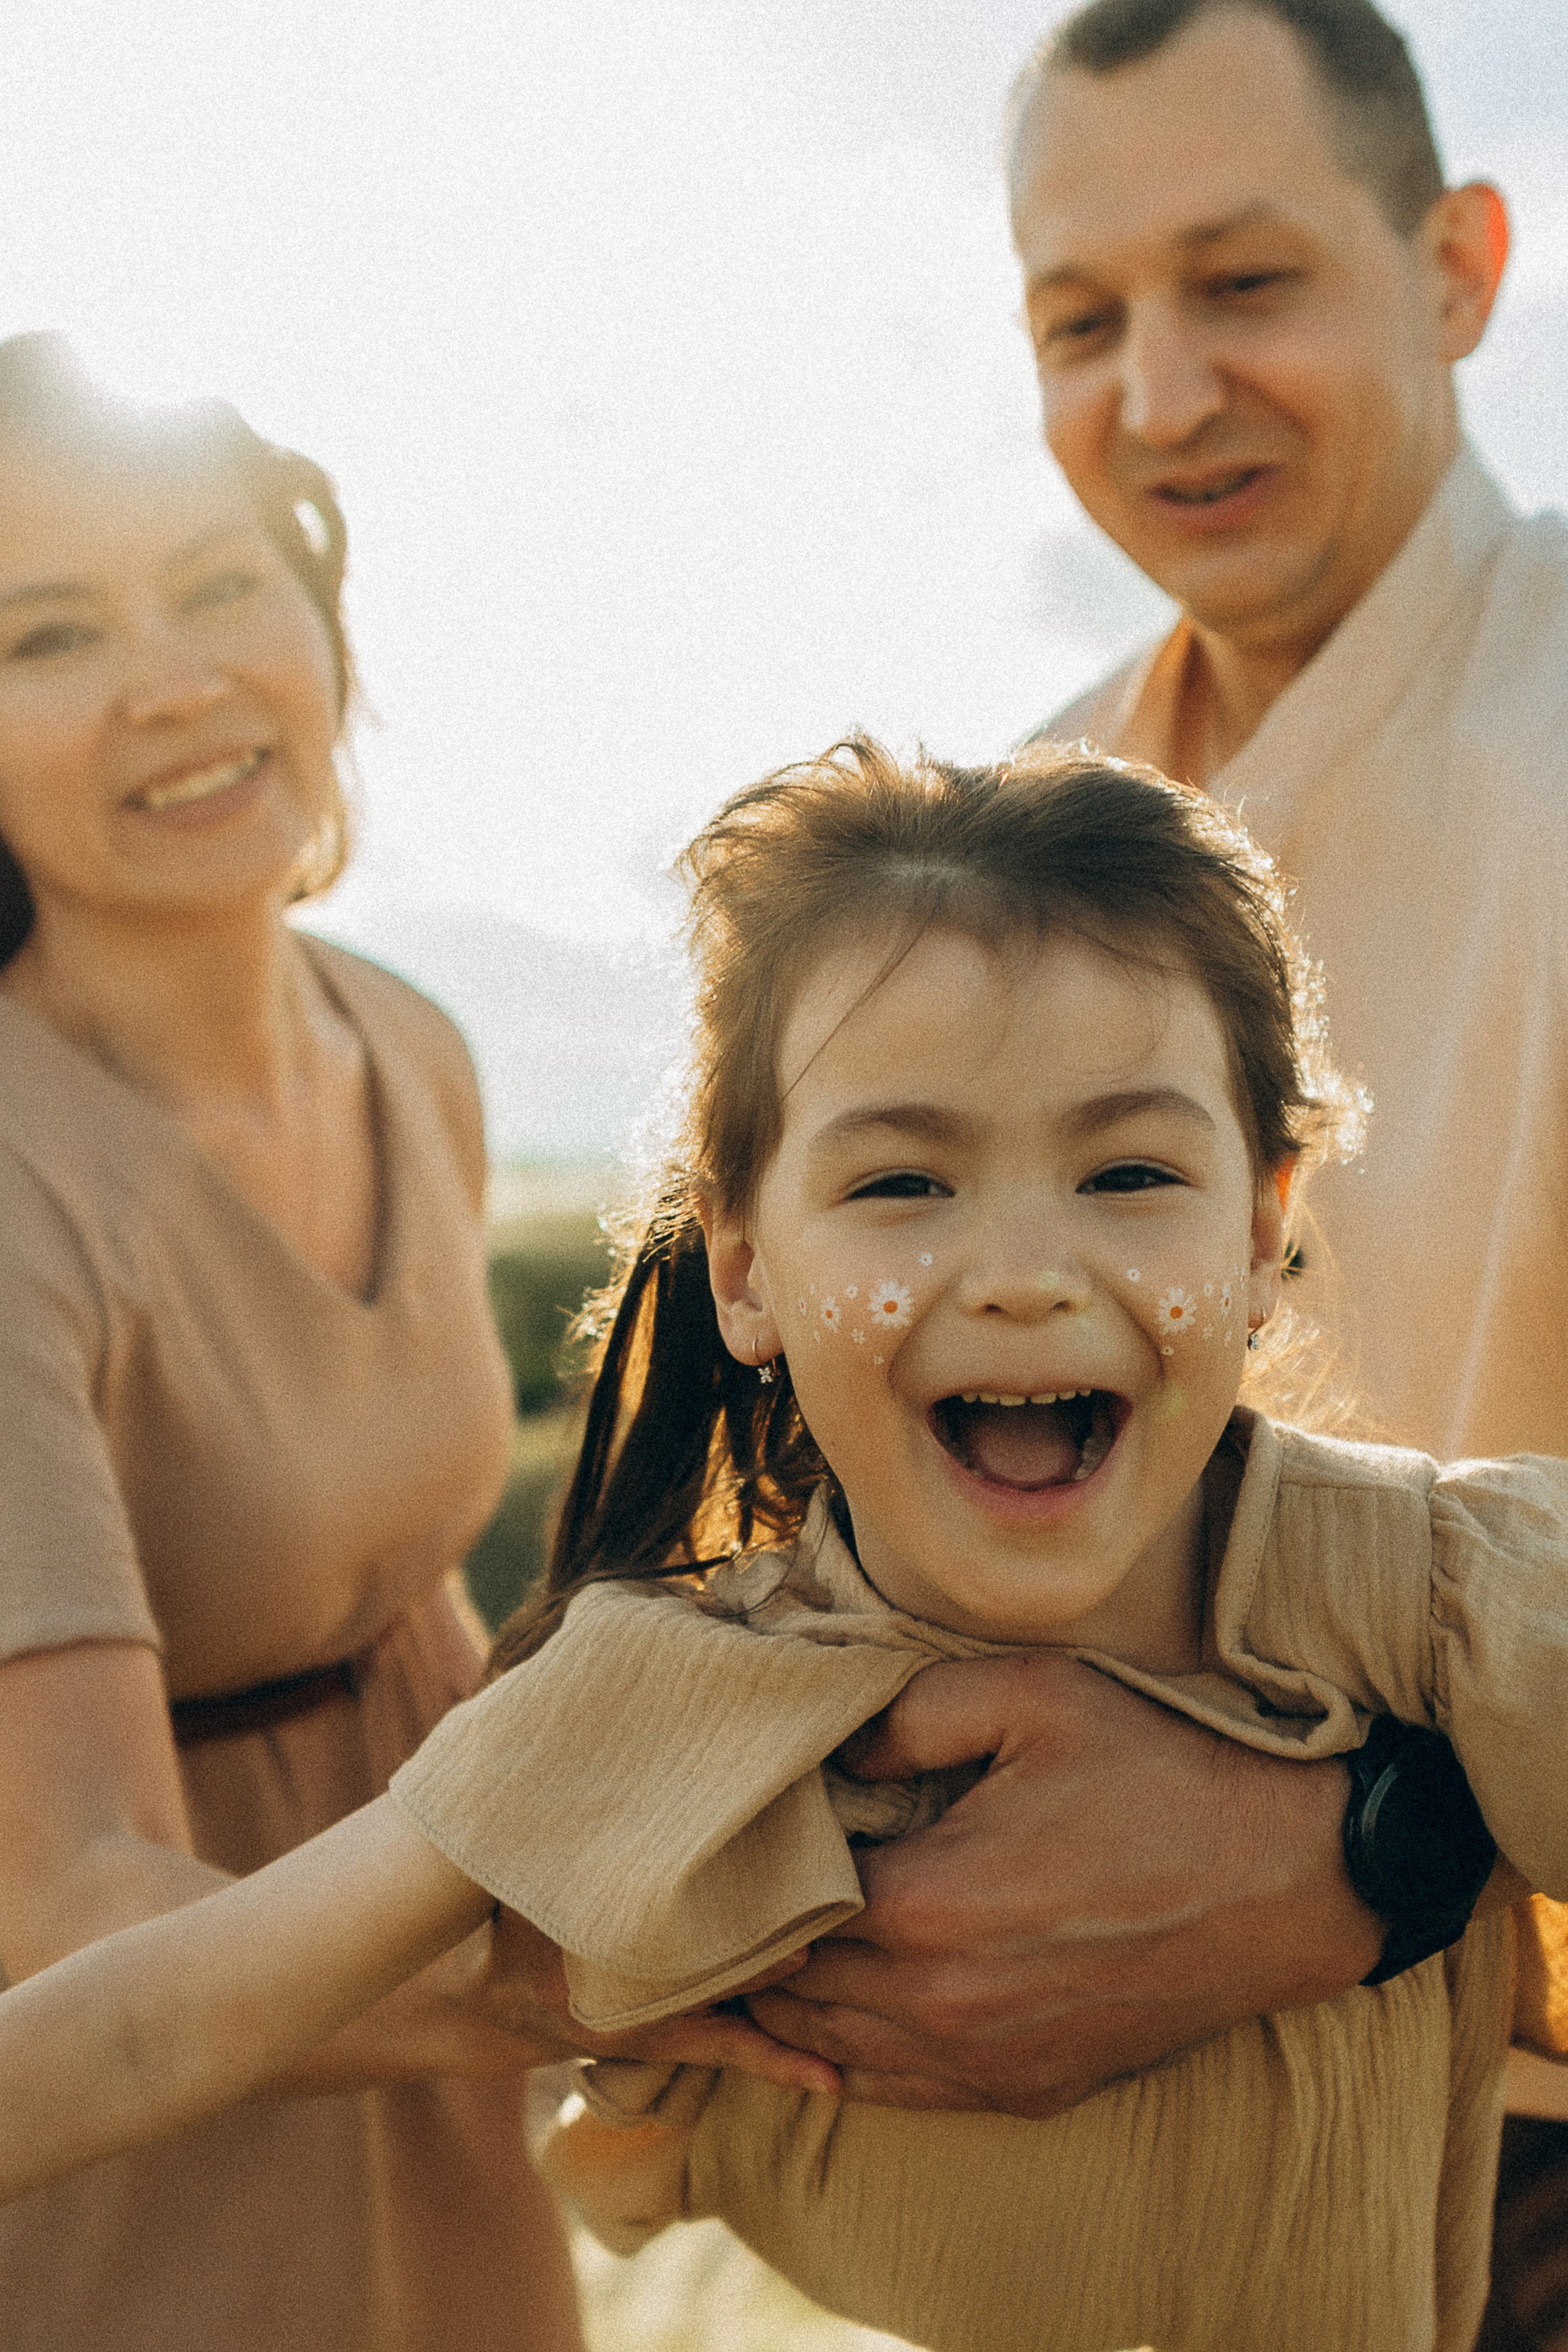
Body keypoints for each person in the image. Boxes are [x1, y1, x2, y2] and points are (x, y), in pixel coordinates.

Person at [0, 735, 1551, 2352]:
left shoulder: (1427, 1592)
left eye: (1127, 1169)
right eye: (902, 1178)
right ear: (743, 1262)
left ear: (1256, 1224)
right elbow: (143, 2026)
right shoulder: (658, 1699)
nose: (1022, 1268)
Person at [732, 9, 1568, 2263]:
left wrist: (1359, 1860)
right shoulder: (1021, 828)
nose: (1159, 395)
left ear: (1461, 265)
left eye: (1245, 282)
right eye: (1078, 320)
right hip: (1108, 2148)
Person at [0, 331, 591, 2352]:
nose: (176, 680)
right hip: (137, 2113)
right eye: (50, 633)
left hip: (440, 2053)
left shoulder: (405, 1038)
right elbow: (70, 1899)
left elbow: (393, 1580)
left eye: (221, 579)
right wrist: (648, 1966)